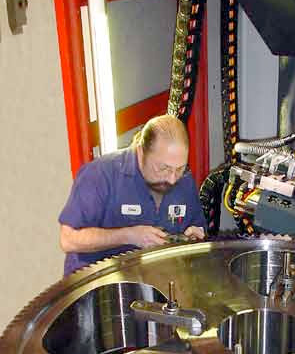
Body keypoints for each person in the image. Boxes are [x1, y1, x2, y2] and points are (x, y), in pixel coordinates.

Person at [59, 114, 206, 275]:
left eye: (179, 169)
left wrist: (194, 236)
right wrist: (128, 235)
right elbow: (69, 239)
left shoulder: (184, 180)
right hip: (98, 280)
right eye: (163, 168)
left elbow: (196, 226)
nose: (172, 179)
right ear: (141, 152)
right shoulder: (100, 174)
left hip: (155, 278)